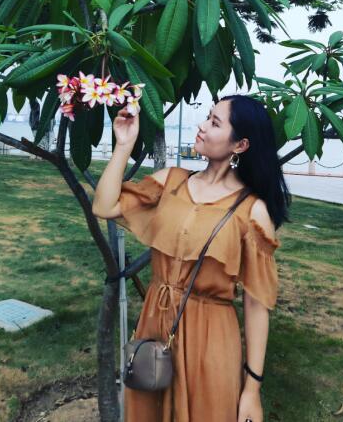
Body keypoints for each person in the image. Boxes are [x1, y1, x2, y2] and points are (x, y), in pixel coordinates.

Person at [93, 94, 291, 422]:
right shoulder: (171, 181)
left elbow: (257, 305)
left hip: (211, 337)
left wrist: (252, 389)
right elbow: (104, 206)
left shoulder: (252, 211)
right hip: (154, 326)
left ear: (240, 145)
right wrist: (124, 145)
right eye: (207, 117)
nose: (202, 126)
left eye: (214, 123)